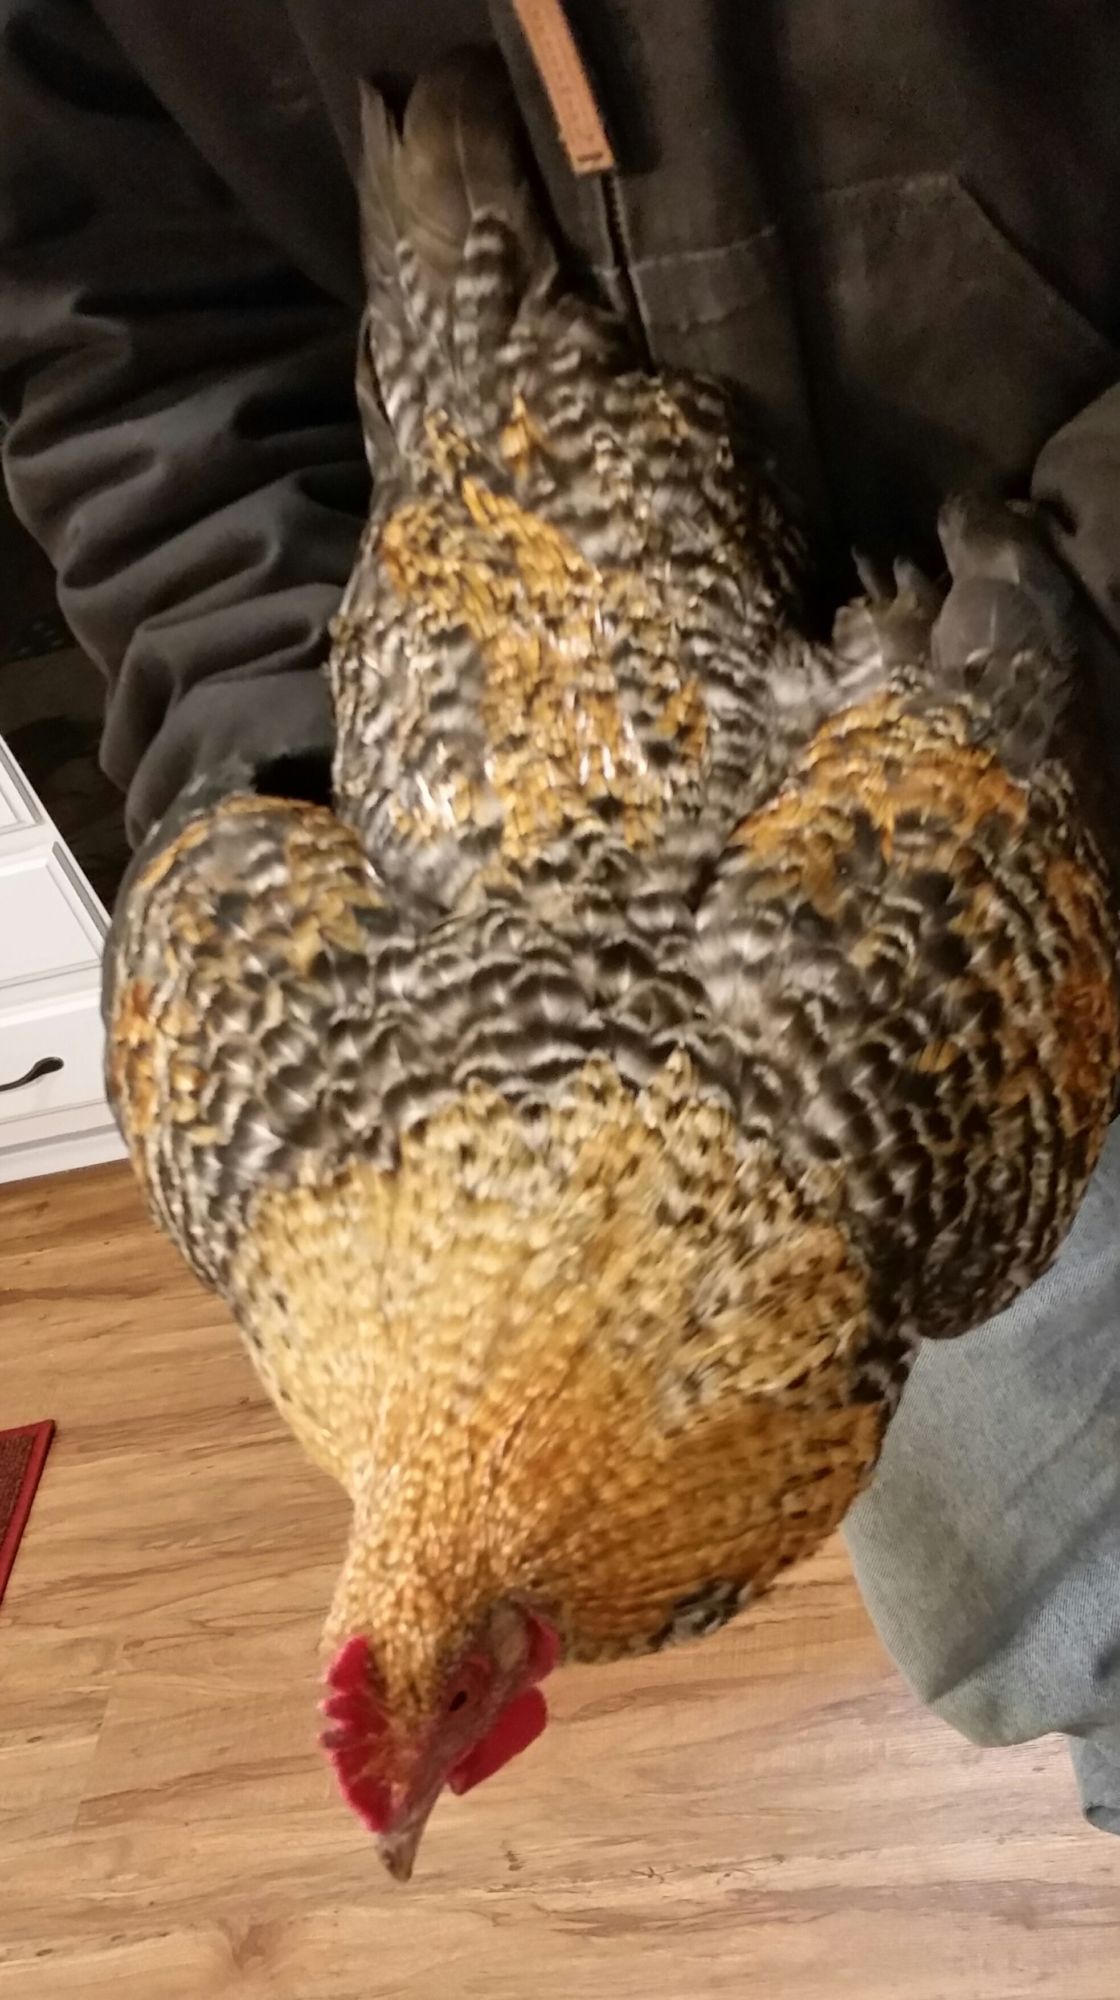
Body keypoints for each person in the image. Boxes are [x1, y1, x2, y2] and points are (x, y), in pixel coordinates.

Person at [3, 0, 1120, 1831]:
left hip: (1015, 593)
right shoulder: (300, 1213)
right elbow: (122, 343)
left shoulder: (890, 1152)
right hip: (494, 555)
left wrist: (1083, 613)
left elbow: (1000, 685)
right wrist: (282, 719)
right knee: (1028, 1622)